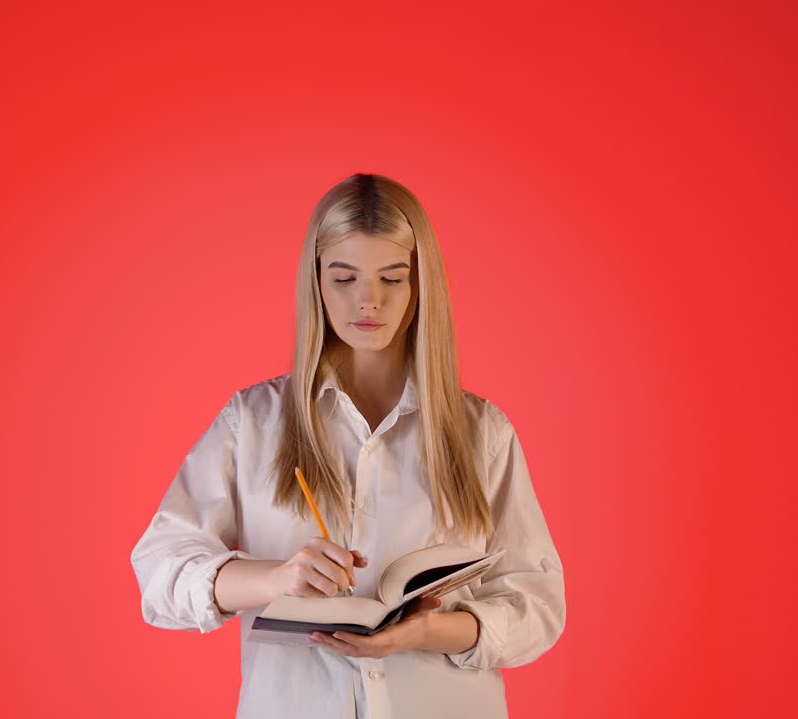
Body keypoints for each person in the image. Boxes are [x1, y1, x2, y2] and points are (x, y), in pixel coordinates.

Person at [130, 173, 565, 718]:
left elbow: (538, 605)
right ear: (315, 283)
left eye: (392, 278)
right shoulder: (252, 422)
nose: (370, 301)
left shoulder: (482, 433)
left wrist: (430, 631)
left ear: (419, 286)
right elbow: (160, 573)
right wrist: (278, 578)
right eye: (344, 278)